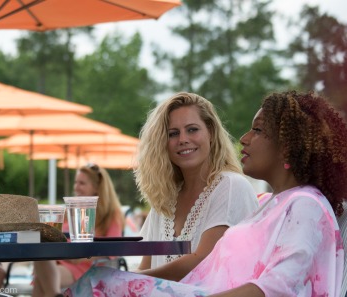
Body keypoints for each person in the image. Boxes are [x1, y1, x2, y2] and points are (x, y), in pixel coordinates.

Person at [64, 90, 347, 296]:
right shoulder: (275, 205)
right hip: (198, 291)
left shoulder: (306, 204)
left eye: (257, 130)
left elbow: (279, 286)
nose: (244, 138)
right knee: (97, 282)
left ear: (288, 145)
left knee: (96, 282)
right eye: (172, 133)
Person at [134, 92, 258, 280]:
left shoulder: (231, 186)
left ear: (210, 132)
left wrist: (129, 279)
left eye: (192, 129)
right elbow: (146, 265)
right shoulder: (165, 198)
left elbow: (203, 261)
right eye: (172, 134)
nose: (182, 139)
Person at [32, 163, 124, 297]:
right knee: (40, 253)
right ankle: (54, 294)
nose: (76, 187)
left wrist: (81, 256)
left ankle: (54, 294)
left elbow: (114, 249)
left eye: (82, 183)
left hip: (87, 267)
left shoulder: (111, 214)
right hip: (58, 263)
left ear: (96, 188)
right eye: (76, 182)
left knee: (41, 279)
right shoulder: (72, 211)